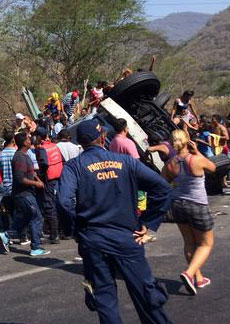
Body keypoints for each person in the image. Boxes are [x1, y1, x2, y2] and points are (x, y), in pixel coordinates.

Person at [57, 119, 173, 324]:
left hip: (92, 239)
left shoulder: (74, 167)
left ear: (81, 143)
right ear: (102, 137)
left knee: (104, 297)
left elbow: (64, 202)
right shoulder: (126, 162)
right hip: (127, 237)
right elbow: (162, 188)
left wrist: (73, 230)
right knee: (147, 295)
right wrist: (148, 222)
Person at [161, 130, 216, 295]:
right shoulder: (197, 159)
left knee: (189, 242)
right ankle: (189, 273)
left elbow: (163, 181)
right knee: (206, 244)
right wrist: (197, 151)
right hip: (197, 205)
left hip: (177, 204)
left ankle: (198, 278)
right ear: (187, 141)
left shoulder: (170, 163)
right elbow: (212, 167)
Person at [0, 132, 49, 256]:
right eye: (28, 138)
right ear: (24, 142)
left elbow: (31, 172)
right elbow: (20, 178)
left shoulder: (25, 155)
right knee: (36, 216)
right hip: (23, 194)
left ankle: (8, 234)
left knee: (27, 217)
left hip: (26, 193)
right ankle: (35, 247)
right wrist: (35, 183)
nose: (30, 139)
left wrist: (38, 179)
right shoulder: (19, 157)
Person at [35, 131, 63, 243]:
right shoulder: (54, 146)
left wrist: (40, 174)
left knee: (49, 205)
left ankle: (54, 235)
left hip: (49, 179)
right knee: (58, 203)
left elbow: (44, 164)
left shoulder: (42, 149)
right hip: (59, 177)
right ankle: (60, 230)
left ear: (39, 137)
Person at [0, 130, 16, 251]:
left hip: (5, 187)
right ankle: (14, 234)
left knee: (8, 212)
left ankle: (7, 233)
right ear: (13, 140)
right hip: (15, 186)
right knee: (18, 212)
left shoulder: (1, 155)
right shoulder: (15, 153)